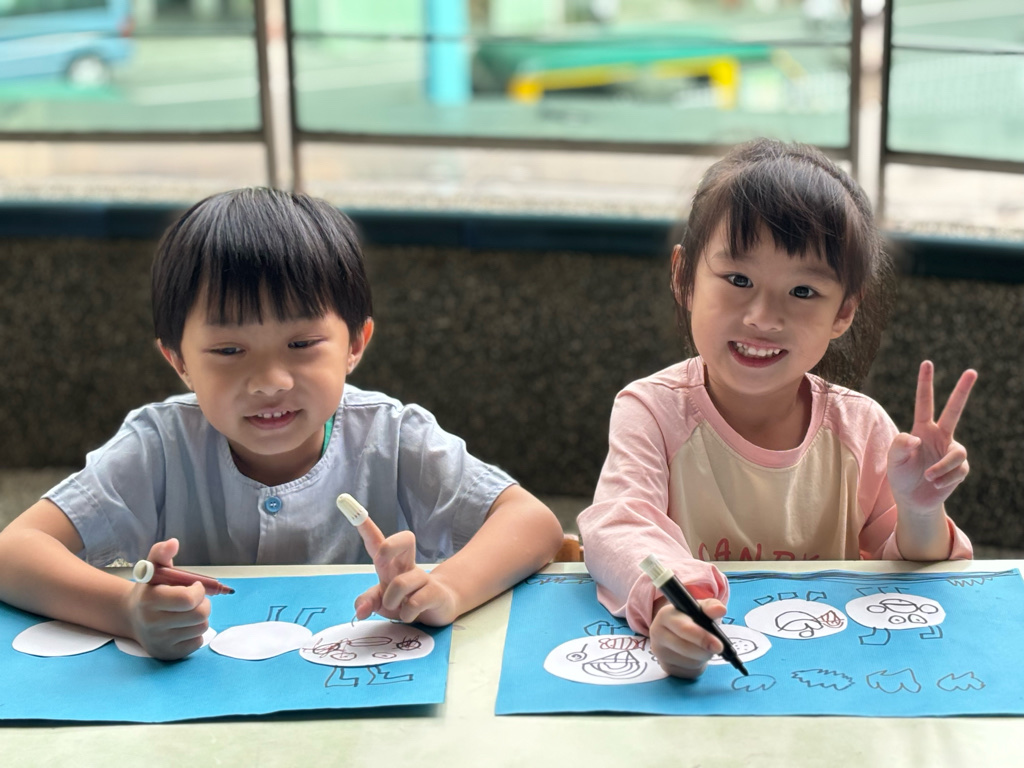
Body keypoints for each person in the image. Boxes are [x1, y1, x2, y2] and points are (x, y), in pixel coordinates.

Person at [0, 187, 564, 660]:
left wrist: (446, 589)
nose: (270, 381)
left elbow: (533, 524)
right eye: (229, 350)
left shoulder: (391, 435)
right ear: (178, 361)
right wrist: (127, 609)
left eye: (301, 344)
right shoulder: (158, 445)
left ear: (355, 343)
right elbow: (15, 551)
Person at [577, 138, 977, 680]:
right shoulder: (651, 411)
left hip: (831, 677)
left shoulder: (861, 428)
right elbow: (621, 526)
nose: (764, 317)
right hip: (705, 675)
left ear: (844, 312)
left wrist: (921, 510)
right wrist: (672, 607)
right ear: (683, 277)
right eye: (739, 280)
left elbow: (913, 573)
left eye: (803, 291)